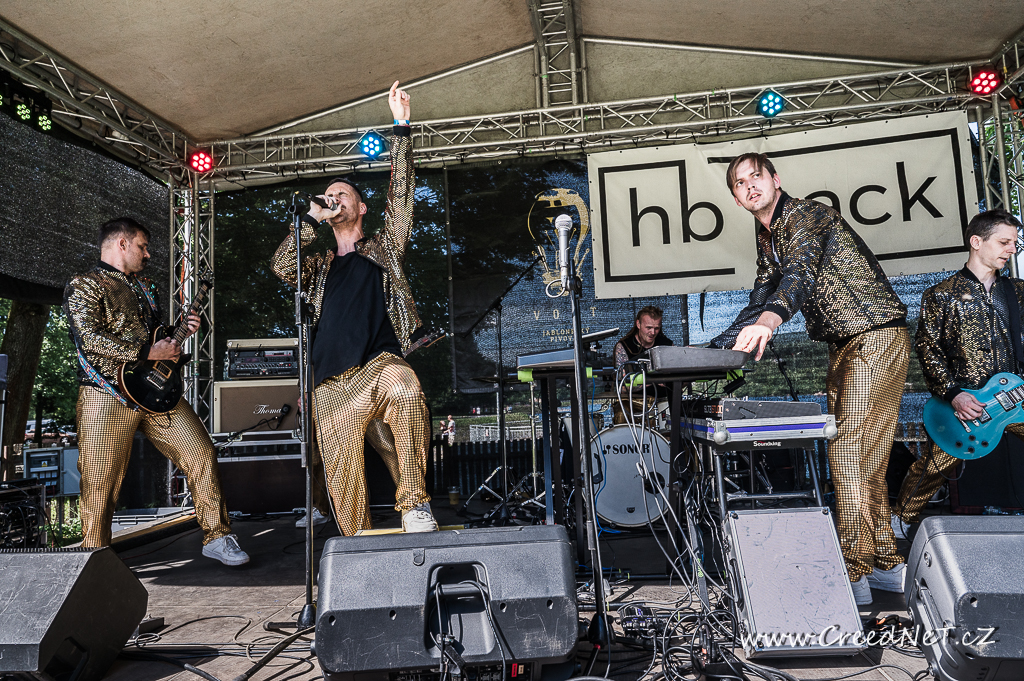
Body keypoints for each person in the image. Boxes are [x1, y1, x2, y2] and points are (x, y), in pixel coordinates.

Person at [707, 153, 909, 605]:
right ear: (736, 199)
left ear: (775, 180)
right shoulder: (767, 234)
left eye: (756, 176)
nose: (750, 186)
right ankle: (885, 563)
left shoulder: (806, 215)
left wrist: (769, 321)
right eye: (740, 183)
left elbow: (800, 274)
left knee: (847, 452)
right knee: (866, 458)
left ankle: (853, 569)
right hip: (845, 343)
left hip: (875, 334)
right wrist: (711, 350)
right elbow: (762, 293)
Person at [272, 81, 437, 536]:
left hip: (378, 364)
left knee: (406, 388)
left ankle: (414, 504)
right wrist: (311, 218)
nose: (334, 198)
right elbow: (281, 265)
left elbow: (402, 198)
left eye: (342, 194)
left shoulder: (384, 248)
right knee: (347, 500)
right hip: (330, 385)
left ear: (361, 207)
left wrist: (401, 128)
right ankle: (359, 555)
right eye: (329, 195)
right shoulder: (318, 267)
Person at [64, 217, 248, 565]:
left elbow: (155, 335)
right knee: (100, 484)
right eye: (143, 246)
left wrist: (178, 336)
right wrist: (149, 352)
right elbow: (88, 338)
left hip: (155, 392)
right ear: (122, 243)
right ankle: (94, 562)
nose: (148, 254)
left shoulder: (147, 286)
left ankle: (217, 536)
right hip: (105, 393)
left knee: (202, 453)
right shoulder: (86, 284)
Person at [894, 210, 1024, 538]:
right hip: (966, 403)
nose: (1012, 249)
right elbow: (928, 351)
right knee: (934, 465)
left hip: (1016, 397)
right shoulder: (941, 294)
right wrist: (954, 395)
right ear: (976, 242)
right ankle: (899, 522)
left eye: (1014, 243)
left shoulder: (1018, 292)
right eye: (1004, 242)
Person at [612, 306, 674, 425]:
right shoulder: (624, 346)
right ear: (638, 324)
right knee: (621, 412)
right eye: (648, 328)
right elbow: (622, 387)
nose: (653, 332)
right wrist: (652, 381)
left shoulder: (666, 345)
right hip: (634, 401)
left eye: (656, 328)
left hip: (663, 401)